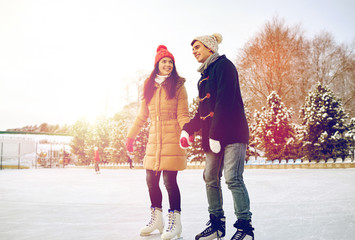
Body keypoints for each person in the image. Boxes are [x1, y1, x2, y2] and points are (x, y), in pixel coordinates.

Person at [180, 33, 254, 240]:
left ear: (210, 47)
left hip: (231, 133)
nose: (194, 51)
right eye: (192, 48)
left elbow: (225, 101)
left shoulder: (225, 66)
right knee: (210, 177)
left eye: (197, 47)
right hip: (213, 137)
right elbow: (202, 110)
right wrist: (188, 128)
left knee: (233, 179)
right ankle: (217, 225)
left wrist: (215, 133)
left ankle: (245, 228)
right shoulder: (203, 76)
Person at [126, 45, 190, 240]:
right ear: (157, 64)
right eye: (164, 61)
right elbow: (142, 115)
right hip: (155, 138)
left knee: (170, 182)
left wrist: (186, 131)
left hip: (172, 137)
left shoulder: (178, 85)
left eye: (170, 62)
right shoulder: (149, 86)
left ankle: (175, 223)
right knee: (151, 180)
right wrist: (131, 136)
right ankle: (157, 220)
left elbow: (182, 113)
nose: (168, 64)